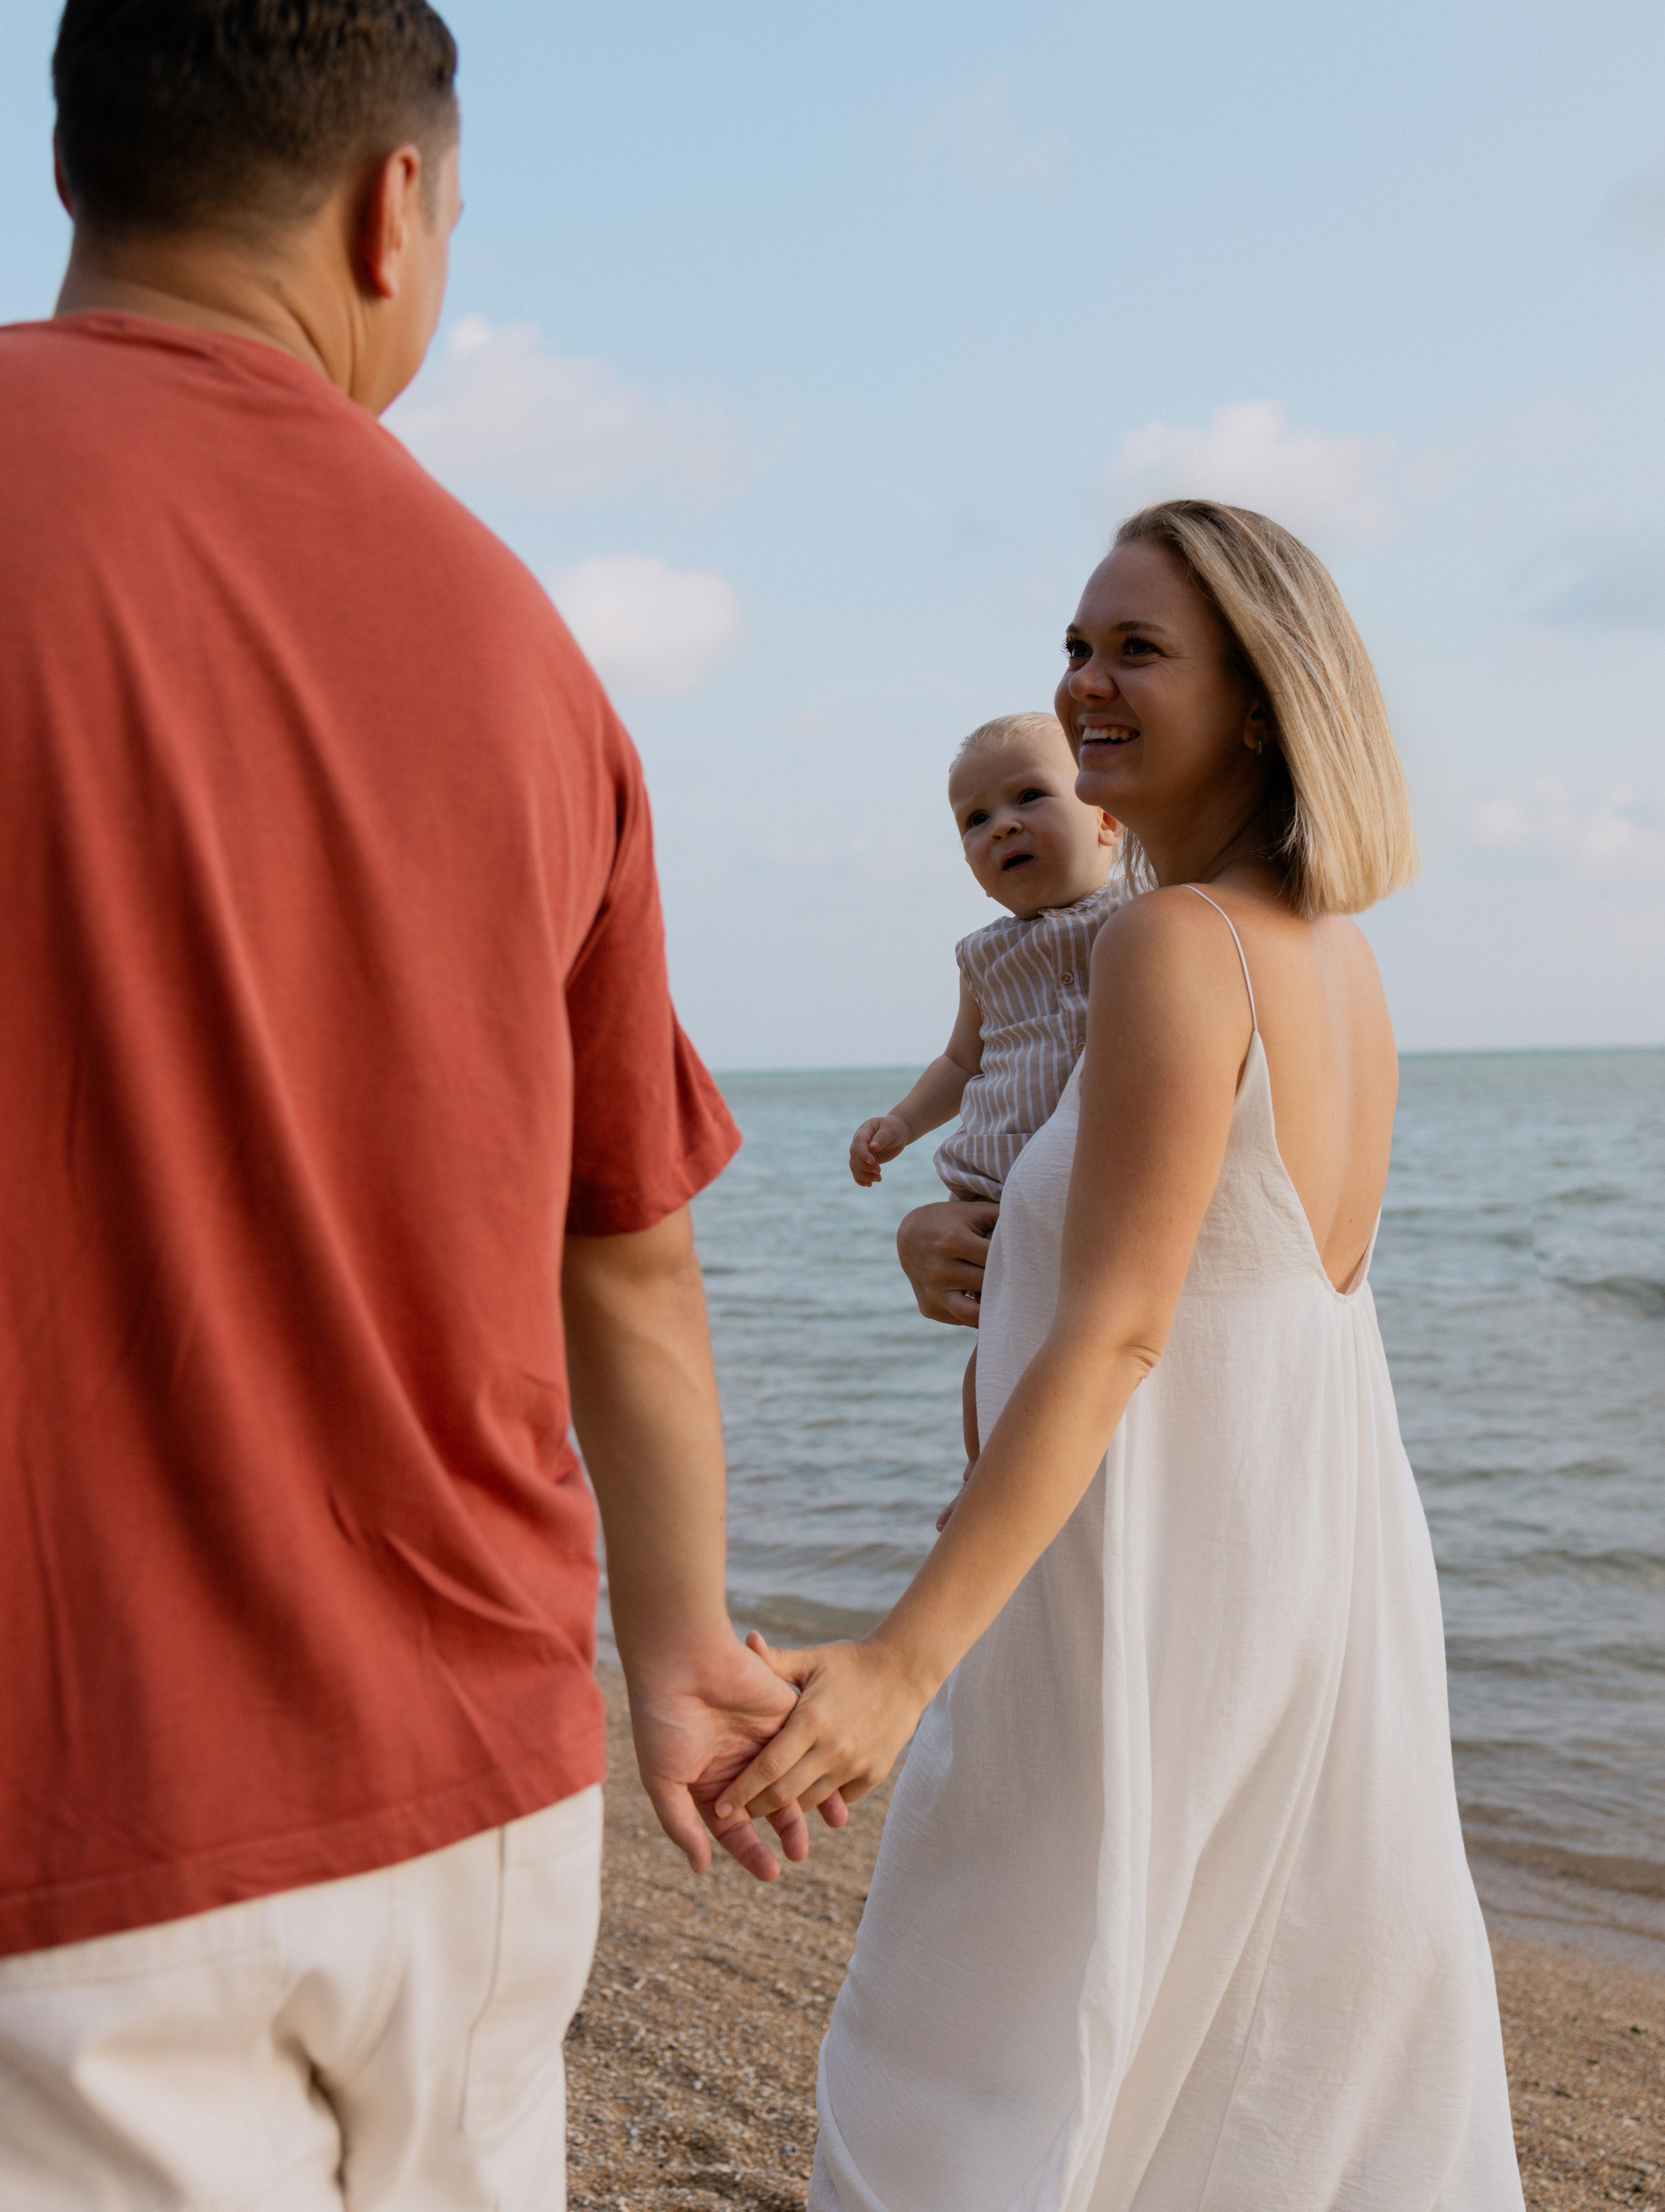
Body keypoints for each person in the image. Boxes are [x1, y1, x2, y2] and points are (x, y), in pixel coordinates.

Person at [0, 6, 832, 2207]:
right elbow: (627, 1258)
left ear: (72, 166)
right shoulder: (528, 648)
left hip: (68, 1814)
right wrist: (681, 1647)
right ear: (397, 210)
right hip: (475, 1791)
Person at [726, 501, 1526, 2208]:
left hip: (1132, 1618)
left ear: (1261, 698)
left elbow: (1118, 1332)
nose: (1083, 683)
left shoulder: (1172, 943)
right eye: (1075, 647)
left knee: (952, 2088)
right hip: (1287, 1607)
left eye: (1137, 649)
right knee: (1197, 2088)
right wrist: (966, 1235)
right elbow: (1212, 1276)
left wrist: (901, 1661)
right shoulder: (1336, 961)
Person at [847, 711, 1117, 1482]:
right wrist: (901, 1123)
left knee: (1085, 1355)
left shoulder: (1139, 916)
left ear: (1107, 818)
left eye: (1030, 796)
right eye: (974, 819)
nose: (1001, 826)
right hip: (994, 1200)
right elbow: (961, 1060)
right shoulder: (984, 957)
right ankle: (982, 1479)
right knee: (998, 1355)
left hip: (1096, 1190)